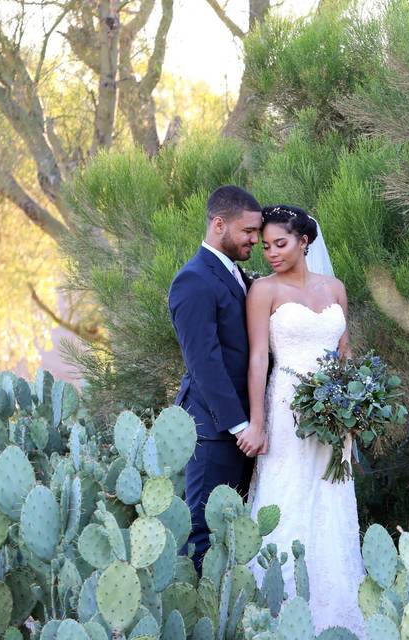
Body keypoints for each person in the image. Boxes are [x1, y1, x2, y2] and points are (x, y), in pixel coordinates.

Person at [243, 204, 366, 636]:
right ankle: (279, 612)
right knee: (289, 499)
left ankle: (337, 614)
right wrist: (257, 423)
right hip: (285, 409)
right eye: (265, 246)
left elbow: (345, 353)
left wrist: (355, 407)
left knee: (331, 503)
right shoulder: (264, 291)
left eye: (280, 244)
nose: (271, 253)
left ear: (304, 242)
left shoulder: (335, 289)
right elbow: (258, 359)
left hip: (335, 417)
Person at [167, 185, 267, 570]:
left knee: (235, 535)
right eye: (248, 232)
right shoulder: (193, 280)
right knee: (202, 534)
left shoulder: (235, 274)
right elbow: (204, 363)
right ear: (219, 224)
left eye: (257, 232)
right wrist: (240, 425)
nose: (255, 240)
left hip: (243, 432)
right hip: (214, 431)